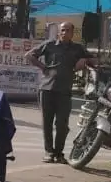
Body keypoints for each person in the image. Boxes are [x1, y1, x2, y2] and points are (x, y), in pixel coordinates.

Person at [27, 21, 92, 162]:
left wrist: (84, 60)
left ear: (72, 33)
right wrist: (43, 67)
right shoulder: (50, 45)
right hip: (46, 89)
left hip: (64, 91)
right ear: (58, 32)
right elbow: (30, 55)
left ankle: (59, 153)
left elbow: (94, 60)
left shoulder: (77, 48)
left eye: (67, 30)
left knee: (62, 124)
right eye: (62, 30)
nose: (64, 33)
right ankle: (49, 152)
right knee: (47, 123)